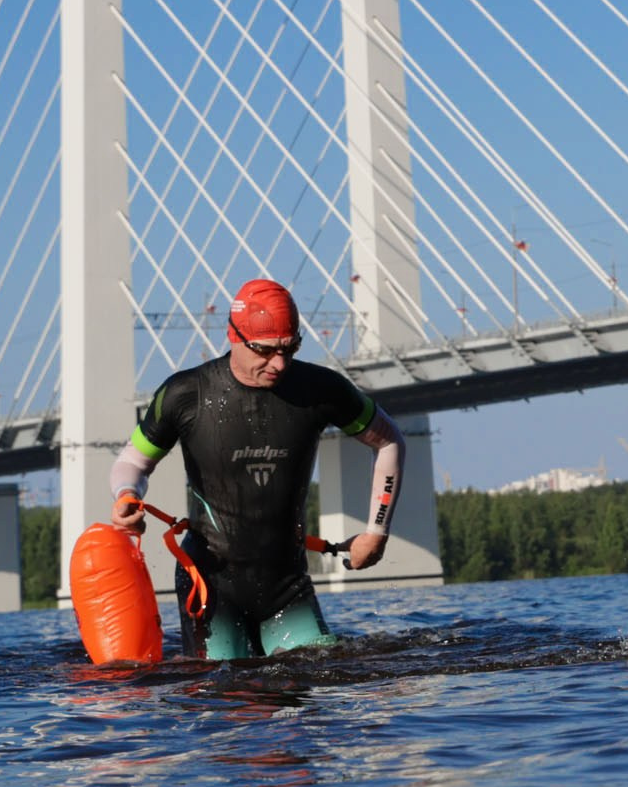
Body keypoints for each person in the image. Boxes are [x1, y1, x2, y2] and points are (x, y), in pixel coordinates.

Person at [106, 278, 405, 660]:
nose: (279, 364)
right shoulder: (186, 394)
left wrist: (376, 532)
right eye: (264, 350)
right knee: (224, 689)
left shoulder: (322, 389)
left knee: (315, 677)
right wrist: (126, 495)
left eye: (290, 349)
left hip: (287, 586)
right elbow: (133, 461)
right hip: (211, 585)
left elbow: (389, 440)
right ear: (234, 335)